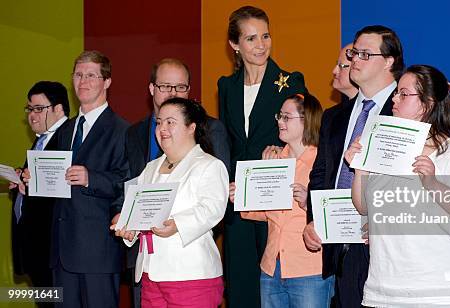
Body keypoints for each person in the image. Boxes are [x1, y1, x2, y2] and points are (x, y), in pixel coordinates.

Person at [345, 64, 450, 307]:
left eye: (404, 94)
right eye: (396, 92)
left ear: (426, 104)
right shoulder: (382, 148)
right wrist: (360, 169)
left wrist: (432, 182)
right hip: (384, 287)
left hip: (439, 290)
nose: (395, 99)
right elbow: (364, 207)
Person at [303, 25, 404, 307]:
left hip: (387, 247)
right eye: (353, 53)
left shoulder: (405, 113)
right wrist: (314, 219)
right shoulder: (335, 116)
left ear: (388, 61)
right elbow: (321, 174)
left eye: (364, 54)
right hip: (341, 244)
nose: (355, 60)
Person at [120, 58, 230, 308]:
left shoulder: (209, 166)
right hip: (150, 274)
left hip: (191, 275)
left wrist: (177, 225)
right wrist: (128, 228)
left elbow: (212, 210)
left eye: (171, 122)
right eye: (159, 122)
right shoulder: (150, 168)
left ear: (191, 127)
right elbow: (139, 210)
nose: (163, 129)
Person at [23, 50, 130, 307]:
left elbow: (126, 184)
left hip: (98, 253)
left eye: (91, 75)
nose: (83, 81)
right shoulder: (66, 129)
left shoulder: (123, 130)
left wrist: (90, 178)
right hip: (61, 251)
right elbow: (57, 183)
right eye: (79, 75)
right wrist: (35, 179)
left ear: (107, 82)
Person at [217, 6, 306, 307]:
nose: (261, 45)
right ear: (235, 45)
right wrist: (226, 183)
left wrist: (279, 156)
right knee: (241, 284)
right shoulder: (226, 86)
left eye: (265, 36)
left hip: (276, 201)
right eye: (251, 38)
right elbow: (228, 144)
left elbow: (303, 137)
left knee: (275, 285)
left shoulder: (290, 81)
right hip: (238, 198)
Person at [236, 93, 334, 307]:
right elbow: (268, 214)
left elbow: (338, 212)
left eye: (286, 117)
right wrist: (242, 198)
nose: (279, 121)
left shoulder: (323, 162)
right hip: (271, 266)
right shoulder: (273, 159)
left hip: (309, 268)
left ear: (306, 120)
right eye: (279, 116)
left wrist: (310, 203)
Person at [10, 81, 69, 306]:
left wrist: (33, 187)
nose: (32, 116)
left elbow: (61, 189)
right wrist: (22, 179)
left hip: (52, 248)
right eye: (29, 109)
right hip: (37, 247)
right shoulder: (42, 139)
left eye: (38, 109)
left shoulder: (67, 137)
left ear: (58, 109)